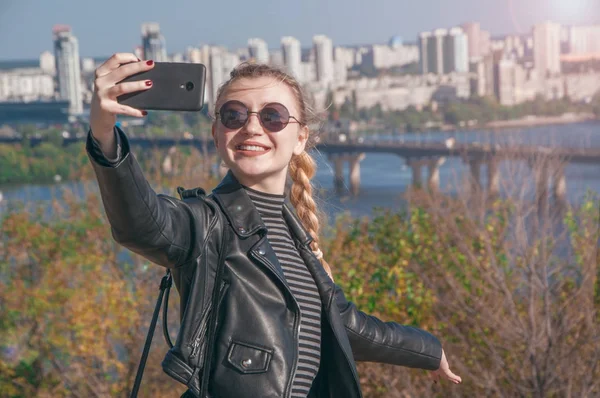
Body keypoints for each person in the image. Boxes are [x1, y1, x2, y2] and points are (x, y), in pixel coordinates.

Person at [87, 53, 461, 398]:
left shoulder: (299, 240)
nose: (252, 127)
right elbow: (142, 224)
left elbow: (345, 328)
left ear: (300, 138)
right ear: (217, 134)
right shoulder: (204, 225)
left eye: (273, 116)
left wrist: (429, 349)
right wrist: (105, 137)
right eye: (234, 115)